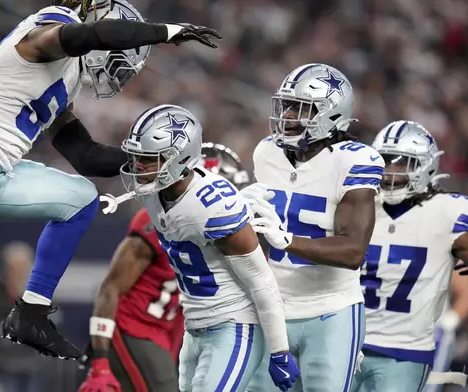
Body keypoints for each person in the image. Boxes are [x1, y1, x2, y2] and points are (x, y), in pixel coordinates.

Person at [0, 0, 220, 360]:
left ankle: (31, 312)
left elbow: (86, 155)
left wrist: (155, 162)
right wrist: (164, 32)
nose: (119, 73)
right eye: (117, 58)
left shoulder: (68, 80)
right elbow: (85, 34)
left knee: (81, 198)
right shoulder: (52, 28)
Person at [113, 104, 300, 392]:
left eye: (148, 160)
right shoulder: (156, 193)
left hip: (233, 326)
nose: (139, 168)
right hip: (194, 328)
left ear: (179, 159)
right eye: (137, 158)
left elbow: (262, 281)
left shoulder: (212, 206)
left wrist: (280, 351)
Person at [351, 121, 468, 392]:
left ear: (426, 166)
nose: (390, 172)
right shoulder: (357, 209)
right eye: (385, 162)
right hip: (350, 344)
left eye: (402, 163)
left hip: (405, 352)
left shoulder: (445, 214)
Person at [244, 63, 382, 392]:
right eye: (286, 106)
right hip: (272, 308)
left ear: (331, 115)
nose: (288, 116)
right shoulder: (267, 153)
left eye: (300, 108)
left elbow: (353, 251)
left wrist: (289, 241)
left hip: (330, 311)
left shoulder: (354, 160)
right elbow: (260, 236)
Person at [79, 142, 250, 392]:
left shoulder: (222, 232)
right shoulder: (157, 221)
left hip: (164, 329)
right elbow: (110, 289)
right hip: (133, 326)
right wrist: (101, 359)